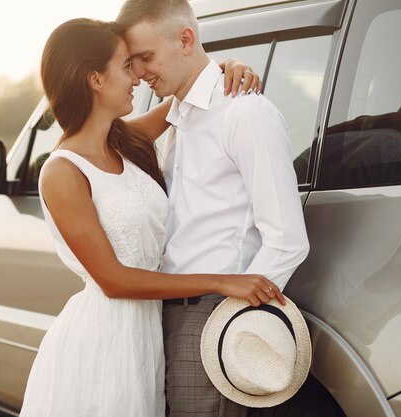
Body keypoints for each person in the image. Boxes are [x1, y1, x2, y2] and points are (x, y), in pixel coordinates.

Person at [19, 18, 282, 417]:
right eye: (127, 66)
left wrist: (228, 67)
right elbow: (113, 279)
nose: (138, 77)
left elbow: (191, 94)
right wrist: (223, 281)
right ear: (94, 78)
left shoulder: (124, 141)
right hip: (103, 339)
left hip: (147, 332)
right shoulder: (62, 172)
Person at [116, 0, 310, 416]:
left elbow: (288, 239)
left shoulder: (244, 113)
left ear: (186, 39)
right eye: (131, 62)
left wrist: (231, 320)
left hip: (211, 315)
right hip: (164, 316)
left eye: (146, 57)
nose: (140, 73)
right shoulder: (178, 115)